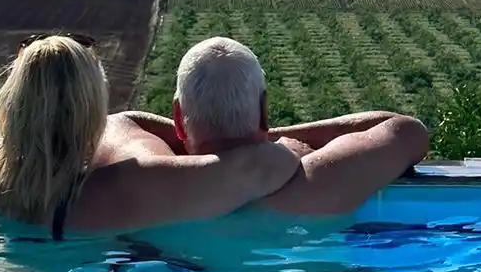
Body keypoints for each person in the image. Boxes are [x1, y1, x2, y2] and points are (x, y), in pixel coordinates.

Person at [0, 34, 303, 235]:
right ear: (93, 113)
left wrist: (13, 152)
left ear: (10, 104)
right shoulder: (118, 189)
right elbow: (267, 163)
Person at [155, 35, 429, 215]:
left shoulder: (154, 191)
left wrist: (202, 140)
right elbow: (408, 131)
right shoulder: (313, 182)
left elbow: (131, 121)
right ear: (264, 111)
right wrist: (271, 139)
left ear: (178, 118)